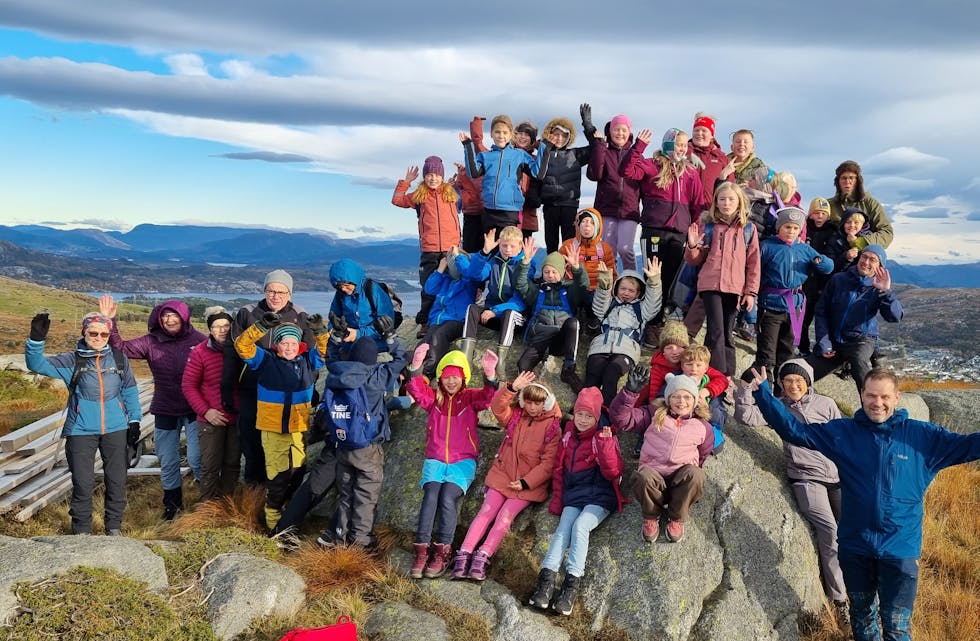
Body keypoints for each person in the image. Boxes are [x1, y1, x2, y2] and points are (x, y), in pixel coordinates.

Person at [747, 367, 980, 641]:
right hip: (855, 547)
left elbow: (970, 446)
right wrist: (764, 394)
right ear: (861, 394)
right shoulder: (844, 433)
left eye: (884, 397)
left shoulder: (924, 438)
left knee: (897, 628)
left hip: (900, 550)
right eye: (871, 395)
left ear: (896, 398)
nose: (877, 403)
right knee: (862, 619)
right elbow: (795, 431)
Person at [734, 359, 849, 625]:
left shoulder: (826, 404)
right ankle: (840, 600)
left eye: (799, 381)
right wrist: (744, 389)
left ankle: (858, 585)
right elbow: (746, 417)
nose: (793, 385)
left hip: (837, 476)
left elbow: (843, 437)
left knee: (852, 531)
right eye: (788, 381)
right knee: (830, 533)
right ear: (781, 385)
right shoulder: (778, 408)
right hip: (807, 479)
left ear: (808, 383)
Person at [25, 312, 142, 535]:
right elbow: (36, 364)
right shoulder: (71, 360)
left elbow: (129, 391)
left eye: (104, 333)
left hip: (116, 428)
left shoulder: (119, 358)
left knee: (117, 481)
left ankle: (114, 528)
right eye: (93, 332)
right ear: (84, 332)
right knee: (82, 483)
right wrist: (36, 340)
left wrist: (134, 420)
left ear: (109, 335)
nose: (98, 337)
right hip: (80, 430)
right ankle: (81, 531)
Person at [451, 371, 561, 581]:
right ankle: (464, 554)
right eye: (528, 402)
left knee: (504, 519)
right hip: (502, 476)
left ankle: (482, 557)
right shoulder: (516, 417)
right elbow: (497, 407)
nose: (532, 407)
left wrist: (526, 482)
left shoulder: (552, 428)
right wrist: (511, 388)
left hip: (526, 487)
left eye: (537, 403)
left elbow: (548, 464)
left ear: (546, 403)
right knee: (485, 512)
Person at [103, 295, 206, 520]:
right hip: (165, 408)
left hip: (194, 409)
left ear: (184, 317)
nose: (169, 320)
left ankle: (207, 502)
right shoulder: (151, 341)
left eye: (174, 316)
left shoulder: (199, 340)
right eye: (165, 316)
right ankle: (172, 507)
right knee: (168, 461)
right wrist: (111, 321)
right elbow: (120, 348)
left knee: (198, 459)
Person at [528, 387, 624, 616]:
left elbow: (614, 472)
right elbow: (560, 470)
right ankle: (545, 583)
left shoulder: (605, 435)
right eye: (579, 414)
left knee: (581, 526)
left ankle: (571, 586)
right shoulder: (569, 434)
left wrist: (606, 445)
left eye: (588, 416)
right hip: (575, 495)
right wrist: (558, 501)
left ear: (597, 417)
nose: (582, 420)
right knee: (563, 528)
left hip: (601, 496)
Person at [404, 346, 498, 579]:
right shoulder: (434, 399)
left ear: (463, 378)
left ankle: (442, 552)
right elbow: (416, 390)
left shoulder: (469, 398)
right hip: (435, 460)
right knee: (431, 496)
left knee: (447, 498)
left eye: (455, 377)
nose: (451, 382)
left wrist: (490, 375)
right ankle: (422, 551)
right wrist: (416, 367)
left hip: (462, 462)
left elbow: (489, 397)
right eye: (447, 377)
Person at [234, 312, 329, 531]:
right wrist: (261, 326)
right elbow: (242, 345)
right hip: (273, 429)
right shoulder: (265, 360)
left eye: (293, 343)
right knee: (278, 477)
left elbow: (326, 351)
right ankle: (274, 523)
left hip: (297, 428)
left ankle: (286, 513)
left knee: (296, 473)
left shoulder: (308, 361)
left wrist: (320, 332)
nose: (289, 347)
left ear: (299, 345)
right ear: (277, 345)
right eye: (284, 343)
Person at [223, 269, 314, 486]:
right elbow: (232, 352)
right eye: (271, 290)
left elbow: (311, 355)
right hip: (251, 390)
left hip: (287, 396)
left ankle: (281, 492)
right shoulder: (248, 312)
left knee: (286, 444)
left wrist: (309, 387)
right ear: (264, 290)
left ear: (290, 294)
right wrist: (227, 389)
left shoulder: (300, 316)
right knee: (252, 442)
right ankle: (255, 492)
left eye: (281, 292)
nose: (276, 296)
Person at [317, 334, 408, 549]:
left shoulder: (338, 373)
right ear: (373, 358)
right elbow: (401, 358)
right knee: (365, 495)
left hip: (343, 443)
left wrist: (336, 339)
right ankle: (360, 541)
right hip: (368, 446)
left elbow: (329, 358)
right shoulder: (376, 376)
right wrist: (391, 338)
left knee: (346, 493)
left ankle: (340, 537)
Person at [611, 371, 713, 543]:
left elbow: (703, 455)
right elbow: (622, 419)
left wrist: (691, 484)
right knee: (643, 476)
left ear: (695, 400)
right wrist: (629, 392)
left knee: (696, 474)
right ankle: (651, 516)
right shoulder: (653, 414)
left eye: (687, 397)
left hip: (679, 480)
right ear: (668, 398)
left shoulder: (703, 427)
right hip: (654, 478)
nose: (682, 402)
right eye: (676, 396)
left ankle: (677, 517)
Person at [622, 128, 705, 335]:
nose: (682, 149)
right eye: (678, 144)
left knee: (670, 276)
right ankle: (648, 319)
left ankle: (660, 317)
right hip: (653, 230)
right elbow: (627, 170)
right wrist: (639, 146)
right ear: (668, 143)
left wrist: (694, 228)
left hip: (679, 233)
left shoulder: (690, 173)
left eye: (685, 145)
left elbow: (698, 204)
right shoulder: (652, 165)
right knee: (652, 275)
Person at [683, 181, 760, 376]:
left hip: (735, 288)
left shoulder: (749, 229)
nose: (726, 203)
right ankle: (718, 375)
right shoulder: (709, 227)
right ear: (716, 202)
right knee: (716, 330)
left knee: (726, 333)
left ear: (740, 202)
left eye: (731, 199)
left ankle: (726, 375)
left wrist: (750, 292)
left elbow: (753, 264)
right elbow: (695, 260)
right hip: (711, 285)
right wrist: (692, 246)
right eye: (722, 199)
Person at [746, 207, 832, 381]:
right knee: (766, 353)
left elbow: (828, 268)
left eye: (795, 228)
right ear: (779, 227)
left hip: (795, 306)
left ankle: (781, 392)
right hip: (770, 304)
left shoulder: (805, 249)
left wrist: (820, 261)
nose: (791, 231)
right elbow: (753, 271)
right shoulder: (768, 246)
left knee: (787, 352)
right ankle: (762, 392)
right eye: (787, 227)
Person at [806, 245, 903, 393]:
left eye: (873, 260)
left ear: (880, 266)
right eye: (864, 257)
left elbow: (895, 317)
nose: (866, 262)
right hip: (834, 342)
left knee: (859, 363)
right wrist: (824, 342)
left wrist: (885, 292)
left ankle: (871, 410)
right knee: (800, 372)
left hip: (861, 340)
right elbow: (821, 312)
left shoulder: (878, 288)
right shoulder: (838, 280)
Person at [391, 155, 461, 337]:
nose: (433, 178)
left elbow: (471, 194)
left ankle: (449, 319)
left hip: (451, 249)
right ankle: (426, 323)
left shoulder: (451, 193)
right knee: (429, 287)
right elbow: (397, 200)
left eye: (436, 174)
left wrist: (462, 176)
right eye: (429, 174)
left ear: (442, 176)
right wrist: (406, 182)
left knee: (451, 285)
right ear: (424, 176)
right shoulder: (419, 196)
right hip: (429, 249)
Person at [584, 258, 663, 407]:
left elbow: (653, 302)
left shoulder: (642, 310)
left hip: (626, 349)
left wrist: (654, 282)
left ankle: (607, 412)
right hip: (601, 346)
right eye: (622, 289)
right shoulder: (610, 305)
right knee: (593, 373)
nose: (626, 293)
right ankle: (584, 410)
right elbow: (599, 303)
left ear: (638, 293)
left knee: (611, 373)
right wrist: (604, 285)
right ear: (616, 289)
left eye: (631, 290)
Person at [515, 238, 590, 392]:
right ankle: (528, 392)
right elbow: (520, 284)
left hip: (560, 341)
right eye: (546, 271)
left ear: (562, 273)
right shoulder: (537, 291)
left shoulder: (569, 292)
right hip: (540, 338)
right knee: (522, 364)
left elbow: (583, 287)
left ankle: (569, 368)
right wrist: (525, 262)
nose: (550, 275)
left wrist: (577, 268)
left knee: (573, 323)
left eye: (554, 271)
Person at [181, 306, 240, 501]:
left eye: (226, 325)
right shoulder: (200, 352)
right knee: (210, 465)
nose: (222, 330)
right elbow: (189, 386)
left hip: (237, 417)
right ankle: (208, 508)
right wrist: (206, 412)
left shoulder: (242, 350)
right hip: (210, 419)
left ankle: (226, 504)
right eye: (217, 326)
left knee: (232, 464)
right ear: (210, 329)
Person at [460, 226, 532, 378]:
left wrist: (495, 310)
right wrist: (484, 253)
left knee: (509, 313)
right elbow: (475, 275)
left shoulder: (525, 265)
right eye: (504, 245)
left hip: (514, 319)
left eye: (512, 246)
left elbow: (520, 301)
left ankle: (500, 365)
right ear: (499, 245)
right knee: (472, 308)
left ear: (520, 246)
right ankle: (465, 359)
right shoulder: (494, 261)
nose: (508, 249)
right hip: (492, 315)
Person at [460, 114, 547, 236]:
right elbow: (473, 173)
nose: (501, 136)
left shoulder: (519, 155)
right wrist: (467, 146)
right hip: (489, 211)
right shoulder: (486, 156)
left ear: (511, 135)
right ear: (491, 134)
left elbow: (537, 173)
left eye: (505, 133)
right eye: (497, 132)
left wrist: (544, 146)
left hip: (510, 211)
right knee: (490, 250)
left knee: (508, 250)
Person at [587, 113, 642, 271]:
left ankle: (631, 283)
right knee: (608, 251)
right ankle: (609, 286)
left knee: (626, 249)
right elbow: (594, 174)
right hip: (606, 208)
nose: (620, 133)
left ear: (629, 132)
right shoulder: (604, 150)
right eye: (616, 129)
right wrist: (599, 147)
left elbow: (643, 185)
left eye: (624, 130)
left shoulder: (636, 155)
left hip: (629, 210)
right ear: (610, 132)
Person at [417, 247, 480, 379]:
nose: (453, 264)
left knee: (438, 336)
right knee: (424, 343)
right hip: (438, 320)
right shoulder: (445, 279)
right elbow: (429, 289)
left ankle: (427, 373)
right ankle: (415, 370)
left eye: (454, 261)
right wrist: (440, 269)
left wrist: (458, 256)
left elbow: (469, 273)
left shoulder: (468, 282)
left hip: (457, 321)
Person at [538, 107, 595, 252]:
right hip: (549, 205)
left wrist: (587, 124)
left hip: (569, 205)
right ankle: (550, 273)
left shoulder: (575, 154)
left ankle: (569, 272)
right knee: (551, 243)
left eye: (564, 135)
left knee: (569, 243)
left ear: (569, 138)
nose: (559, 138)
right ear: (549, 134)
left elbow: (596, 147)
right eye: (556, 134)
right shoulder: (542, 155)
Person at [558, 208, 617, 334]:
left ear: (598, 226)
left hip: (595, 290)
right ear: (578, 225)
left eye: (592, 222)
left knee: (595, 297)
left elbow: (613, 274)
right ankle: (571, 318)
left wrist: (612, 292)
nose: (587, 226)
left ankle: (593, 319)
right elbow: (557, 268)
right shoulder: (568, 245)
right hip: (573, 287)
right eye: (584, 221)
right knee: (571, 292)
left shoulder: (605, 249)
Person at [327, 258, 398, 357]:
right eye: (339, 286)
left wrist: (358, 334)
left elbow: (386, 323)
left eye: (346, 285)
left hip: (377, 349)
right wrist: (335, 330)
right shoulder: (340, 295)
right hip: (350, 349)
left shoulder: (373, 290)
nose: (343, 289)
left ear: (354, 280)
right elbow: (334, 317)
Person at [800, 197, 838, 356]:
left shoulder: (833, 232)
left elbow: (831, 257)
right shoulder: (804, 229)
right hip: (805, 282)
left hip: (823, 284)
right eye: (816, 213)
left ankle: (821, 350)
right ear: (810, 214)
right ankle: (802, 349)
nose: (820, 216)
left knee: (822, 321)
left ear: (828, 216)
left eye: (823, 213)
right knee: (803, 319)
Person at [828, 161, 894, 249]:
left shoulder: (870, 203)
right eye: (843, 178)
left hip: (865, 256)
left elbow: (887, 232)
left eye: (851, 178)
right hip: (835, 255)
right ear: (838, 181)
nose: (847, 181)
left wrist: (861, 242)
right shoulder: (829, 205)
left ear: (858, 181)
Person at [687, 112, 734, 204]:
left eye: (704, 131)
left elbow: (731, 188)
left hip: (711, 209)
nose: (699, 133)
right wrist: (687, 154)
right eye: (696, 130)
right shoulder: (683, 152)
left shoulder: (722, 158)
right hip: (687, 208)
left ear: (712, 135)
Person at [827, 207, 873, 272]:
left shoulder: (869, 238)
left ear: (862, 225)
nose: (852, 225)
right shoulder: (834, 240)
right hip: (841, 278)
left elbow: (872, 260)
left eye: (856, 222)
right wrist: (846, 257)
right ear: (843, 224)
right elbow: (831, 267)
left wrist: (856, 243)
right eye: (848, 222)